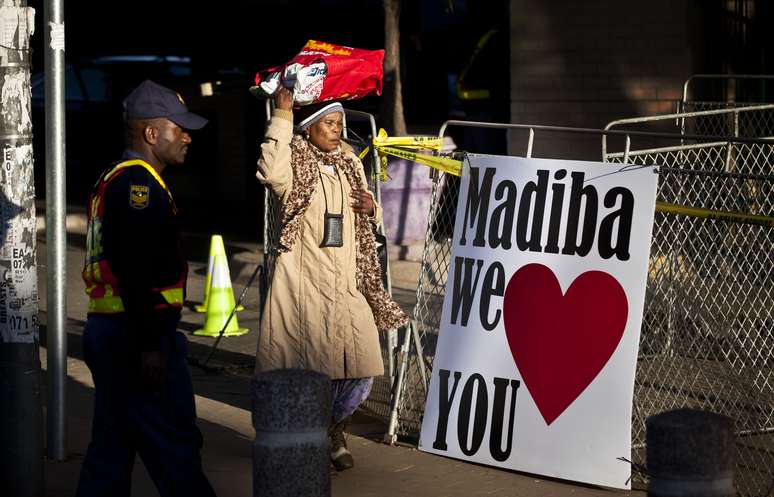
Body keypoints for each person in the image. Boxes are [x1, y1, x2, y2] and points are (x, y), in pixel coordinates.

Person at [255, 87, 409, 471]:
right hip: (304, 290)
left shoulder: (350, 164)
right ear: (309, 128)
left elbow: (368, 223)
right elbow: (270, 174)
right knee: (310, 375)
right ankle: (309, 442)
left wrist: (373, 208)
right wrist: (282, 115)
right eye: (329, 122)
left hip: (349, 287)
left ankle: (332, 428)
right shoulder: (293, 161)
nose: (337, 129)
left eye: (340, 122)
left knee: (360, 373)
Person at [76, 80, 217, 497]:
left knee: (112, 450)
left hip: (113, 331)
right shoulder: (139, 187)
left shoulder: (114, 178)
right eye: (179, 128)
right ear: (152, 134)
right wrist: (151, 346)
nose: (187, 136)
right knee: (173, 448)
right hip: (135, 337)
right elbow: (135, 270)